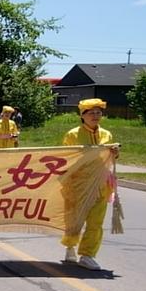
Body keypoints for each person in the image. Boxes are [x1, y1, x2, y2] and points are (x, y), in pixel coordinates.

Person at [61, 98, 119, 271]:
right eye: (91, 112)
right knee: (75, 220)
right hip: (78, 185)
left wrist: (115, 153)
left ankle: (87, 255)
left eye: (98, 112)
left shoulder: (106, 135)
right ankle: (70, 246)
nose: (95, 115)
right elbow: (65, 157)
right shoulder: (72, 134)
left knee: (96, 222)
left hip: (101, 183)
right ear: (82, 115)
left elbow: (109, 157)